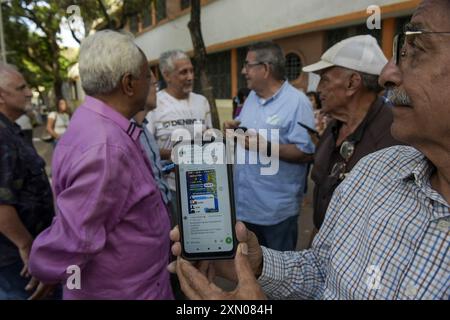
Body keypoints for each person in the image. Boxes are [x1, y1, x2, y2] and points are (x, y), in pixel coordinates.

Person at [169, 0, 450, 299]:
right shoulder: (376, 169)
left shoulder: (309, 108)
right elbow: (324, 268)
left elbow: (303, 154)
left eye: (415, 49)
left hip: (277, 210)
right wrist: (260, 263)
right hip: (248, 207)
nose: (389, 75)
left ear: (353, 82)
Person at [28, 30, 173, 300]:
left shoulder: (94, 123)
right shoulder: (106, 148)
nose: (153, 85)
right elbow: (75, 238)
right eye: (148, 77)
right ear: (129, 83)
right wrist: (49, 267)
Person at [302, 35, 402, 231]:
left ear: (352, 83)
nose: (318, 88)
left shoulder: (394, 135)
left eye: (324, 79)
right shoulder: (334, 126)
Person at [224, 41, 315, 251]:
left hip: (276, 214)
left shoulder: (297, 102)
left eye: (248, 65)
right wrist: (235, 129)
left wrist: (267, 147)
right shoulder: (251, 99)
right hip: (245, 208)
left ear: (265, 69)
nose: (243, 71)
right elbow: (250, 137)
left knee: (278, 279)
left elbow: (307, 152)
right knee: (249, 274)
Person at [0, 63, 55, 300]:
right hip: (16, 264)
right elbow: (1, 204)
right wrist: (25, 244)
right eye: (21, 88)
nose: (29, 92)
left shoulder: (10, 130)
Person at [146, 50, 212, 221]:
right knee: (176, 239)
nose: (190, 76)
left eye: (191, 70)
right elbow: (145, 147)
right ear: (166, 75)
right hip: (170, 187)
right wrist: (177, 154)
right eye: (183, 72)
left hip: (201, 184)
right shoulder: (155, 104)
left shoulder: (201, 102)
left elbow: (209, 137)